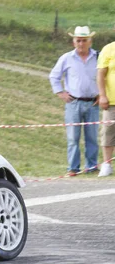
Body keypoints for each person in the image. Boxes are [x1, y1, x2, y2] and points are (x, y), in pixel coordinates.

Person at [49, 26, 99, 175]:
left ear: (90, 41)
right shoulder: (67, 58)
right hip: (73, 102)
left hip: (92, 102)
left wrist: (101, 94)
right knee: (73, 137)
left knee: (92, 137)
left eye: (84, 40)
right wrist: (60, 93)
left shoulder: (97, 56)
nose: (81, 43)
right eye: (78, 40)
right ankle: (73, 168)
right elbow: (54, 76)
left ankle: (91, 166)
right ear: (74, 42)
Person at [97, 35, 115, 177]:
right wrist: (102, 95)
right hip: (112, 101)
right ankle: (107, 164)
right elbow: (101, 74)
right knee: (108, 132)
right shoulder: (108, 49)